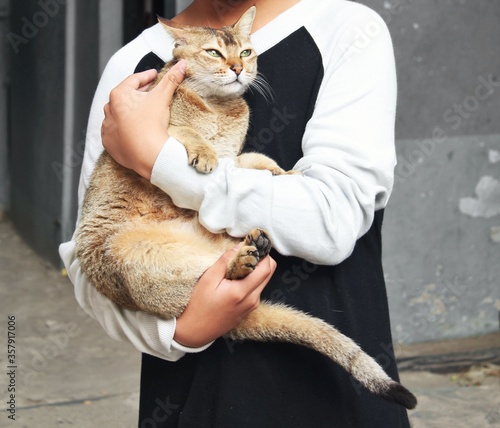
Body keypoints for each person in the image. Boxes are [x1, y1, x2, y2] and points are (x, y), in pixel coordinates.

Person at [60, 0, 411, 426]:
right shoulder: (132, 63)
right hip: (192, 400)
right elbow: (90, 259)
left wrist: (158, 160)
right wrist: (180, 331)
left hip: (333, 397)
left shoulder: (347, 27)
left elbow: (332, 222)